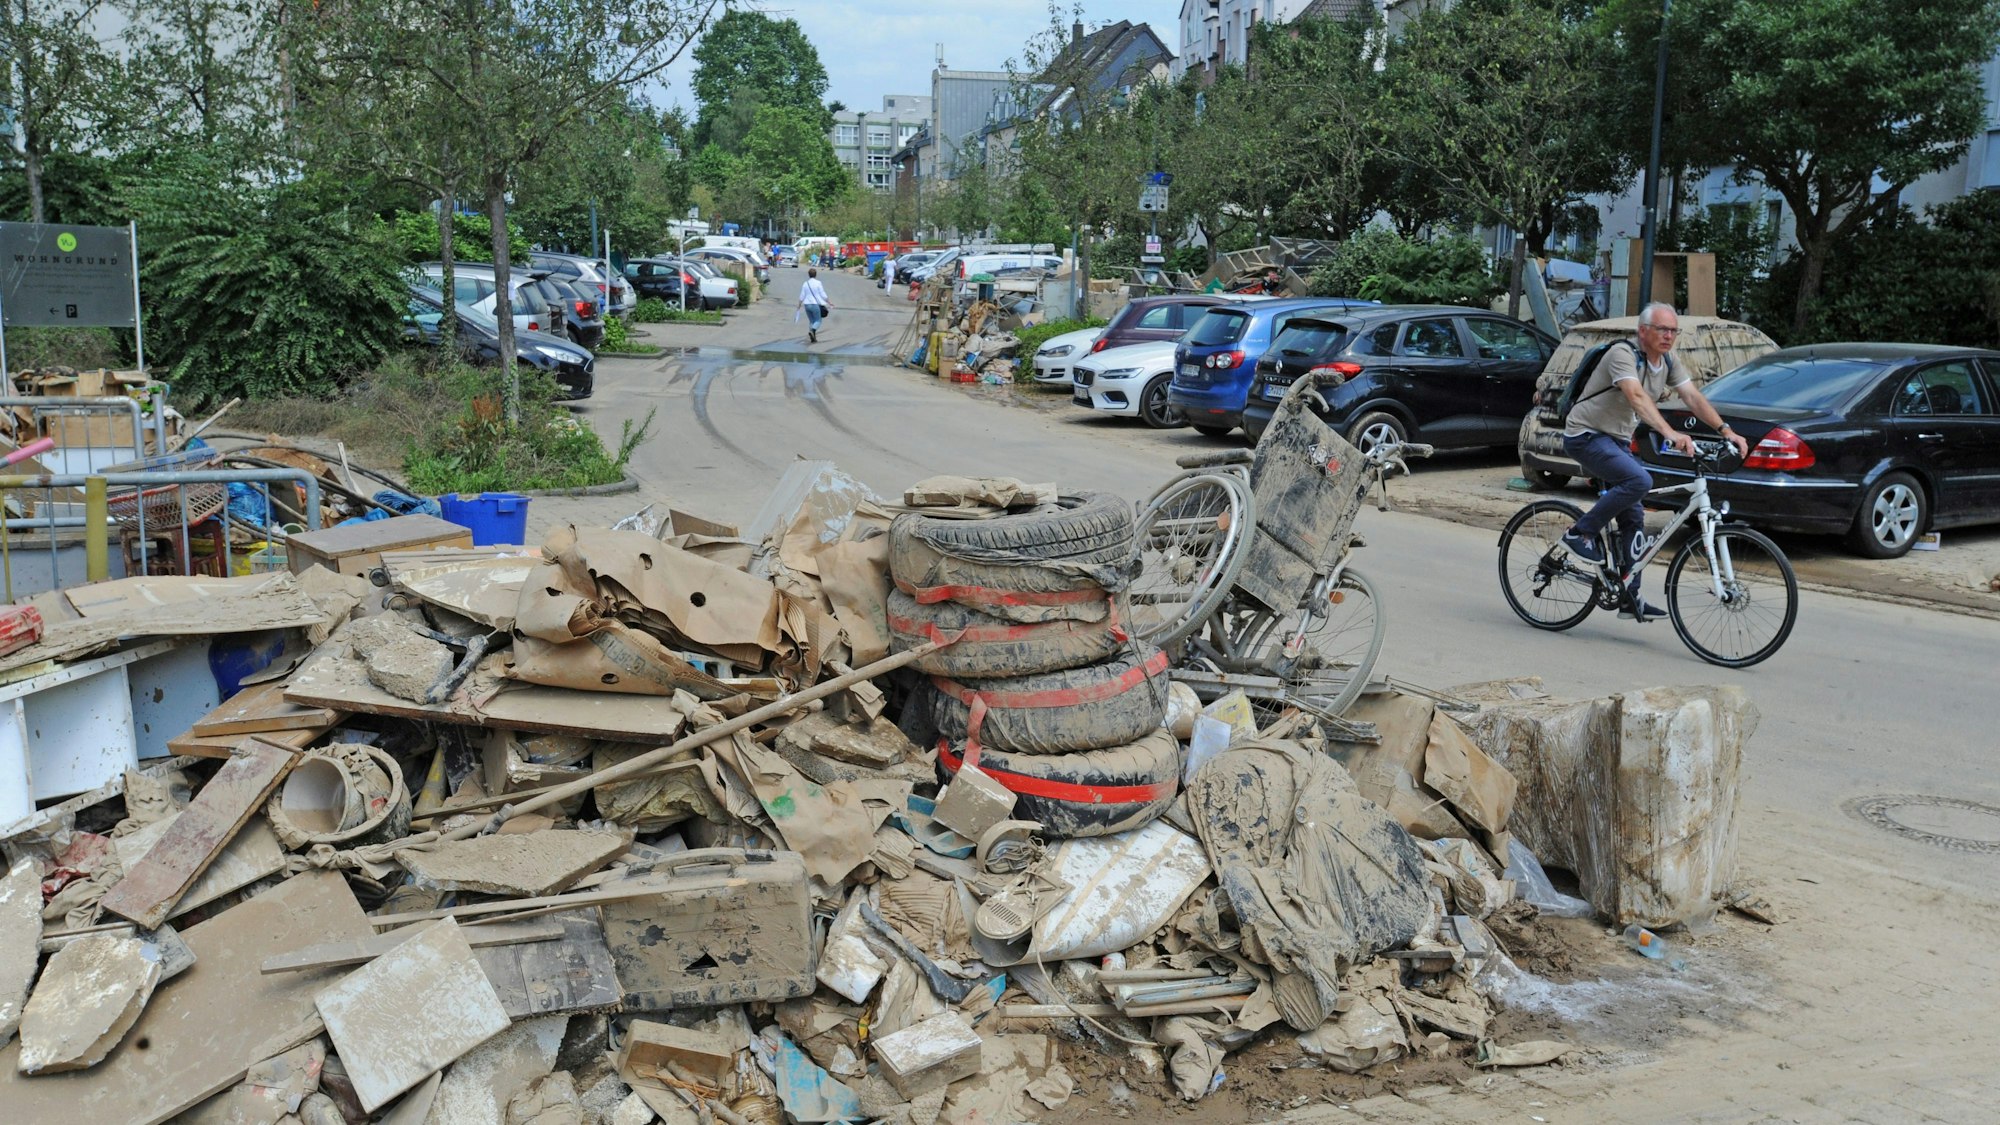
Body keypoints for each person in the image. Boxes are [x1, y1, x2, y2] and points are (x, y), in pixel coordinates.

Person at [1560, 302, 1749, 621]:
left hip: (1616, 440)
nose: (1669, 336)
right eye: (1662, 329)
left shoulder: (1668, 361)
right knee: (1639, 482)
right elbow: (1635, 396)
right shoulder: (1622, 354)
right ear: (1643, 331)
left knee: (1634, 515)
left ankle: (1628, 598)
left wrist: (1725, 430)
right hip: (1585, 434)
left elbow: (1693, 397)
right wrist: (1669, 432)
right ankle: (1579, 534)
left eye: (1673, 330)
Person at [798, 267, 831, 343]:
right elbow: (822, 294)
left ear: (808, 275)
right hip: (815, 304)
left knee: (811, 321)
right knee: (818, 320)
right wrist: (828, 301)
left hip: (806, 305)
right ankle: (812, 331)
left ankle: (813, 337)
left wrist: (799, 304)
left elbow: (802, 295)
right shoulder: (818, 283)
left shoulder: (805, 283)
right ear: (815, 275)